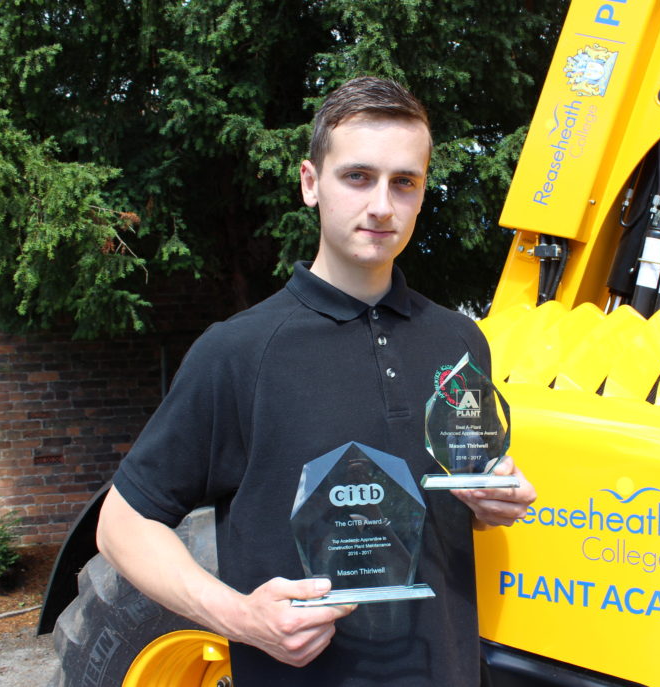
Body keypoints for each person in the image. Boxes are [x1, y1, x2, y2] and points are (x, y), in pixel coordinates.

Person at [96, 76, 537, 686]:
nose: (381, 205)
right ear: (310, 183)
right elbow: (122, 525)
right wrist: (239, 617)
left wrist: (492, 500)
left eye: (403, 182)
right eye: (358, 176)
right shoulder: (239, 351)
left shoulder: (460, 342)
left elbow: (456, 498)